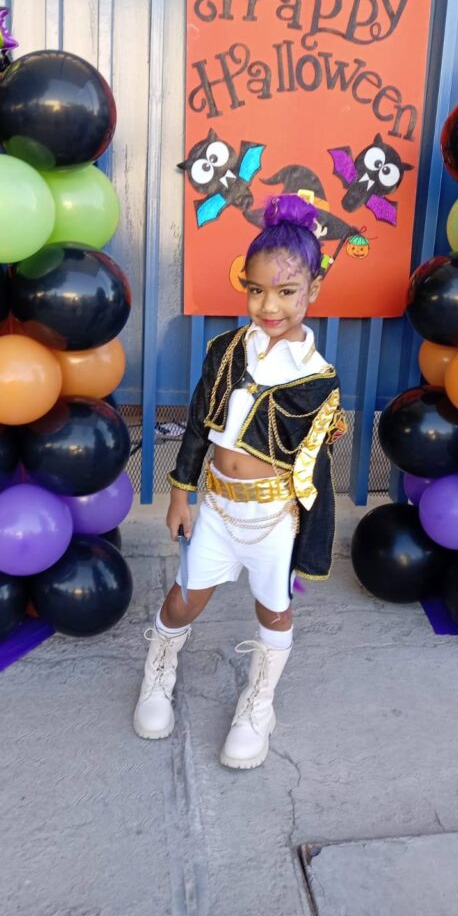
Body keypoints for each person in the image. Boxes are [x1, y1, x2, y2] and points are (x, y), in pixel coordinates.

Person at [133, 194, 345, 769]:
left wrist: (311, 542)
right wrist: (181, 492)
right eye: (256, 290)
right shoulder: (225, 351)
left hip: (274, 520)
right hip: (218, 513)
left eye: (286, 291)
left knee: (274, 611)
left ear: (313, 289)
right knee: (183, 601)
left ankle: (259, 704)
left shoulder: (319, 381)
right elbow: (199, 425)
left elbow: (315, 471)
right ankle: (158, 673)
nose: (269, 306)